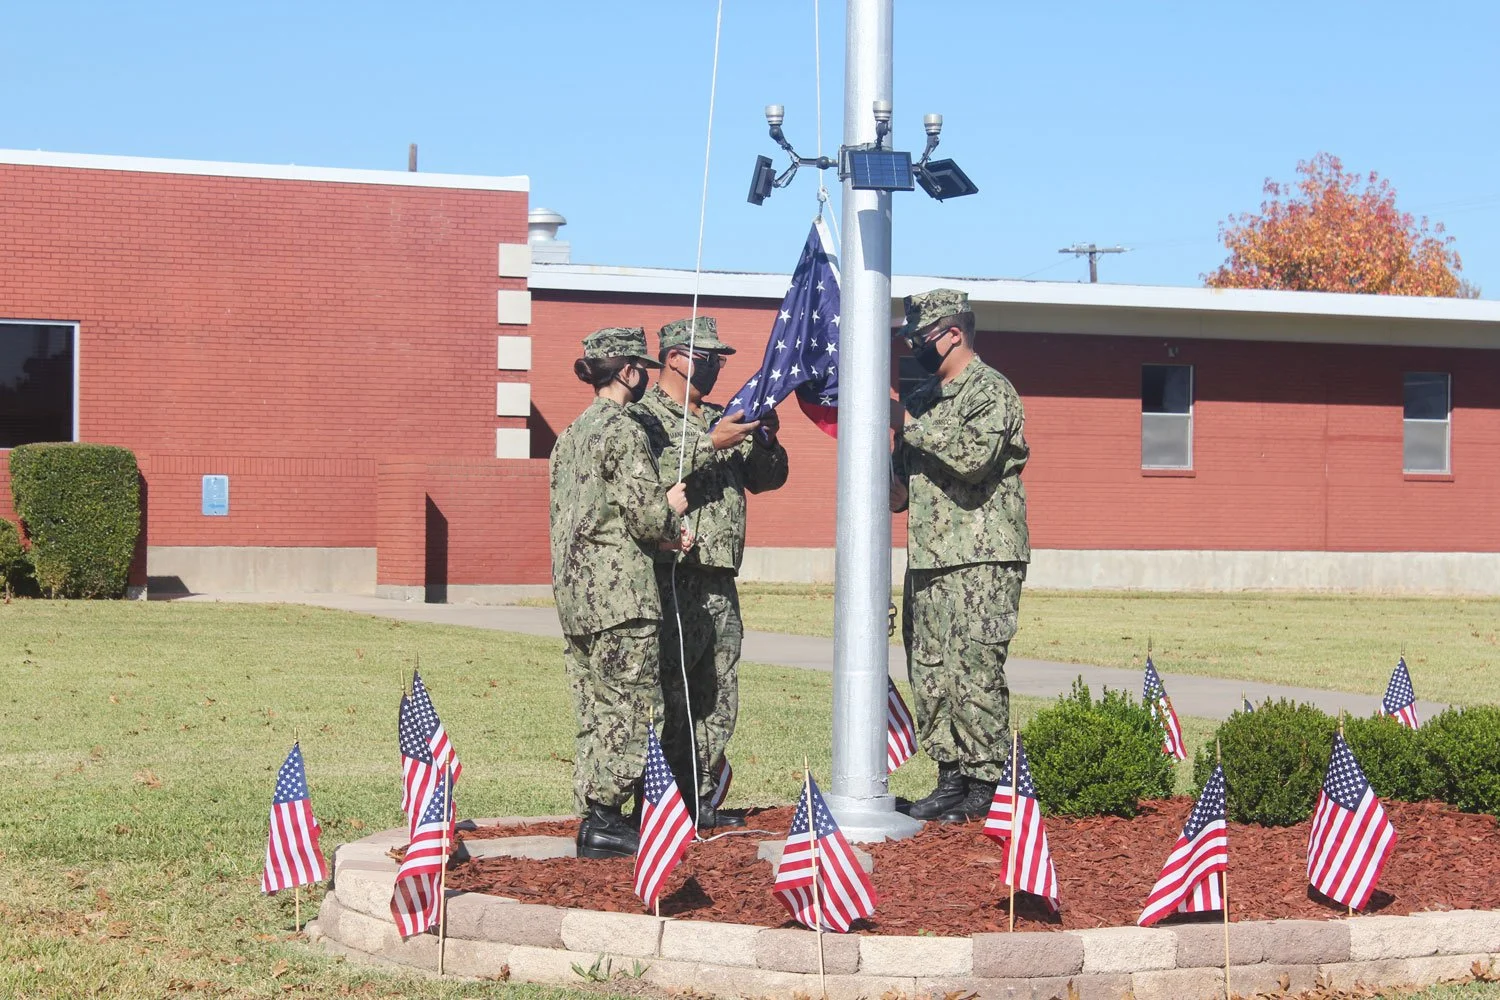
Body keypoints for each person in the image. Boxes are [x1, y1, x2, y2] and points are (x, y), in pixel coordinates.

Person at [631, 316, 789, 829]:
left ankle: (698, 796)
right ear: (675, 356)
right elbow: (647, 480)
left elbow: (768, 479)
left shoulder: (726, 416)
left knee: (717, 694)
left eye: (721, 359)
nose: (717, 367)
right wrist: (713, 440)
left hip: (720, 578)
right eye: (707, 357)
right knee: (669, 694)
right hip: (672, 575)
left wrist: (764, 440)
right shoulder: (645, 419)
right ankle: (658, 801)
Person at [549, 326, 693, 858]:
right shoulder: (624, 431)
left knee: (593, 708)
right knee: (627, 707)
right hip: (620, 597)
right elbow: (645, 513)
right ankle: (608, 819)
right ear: (630, 371)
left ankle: (594, 813)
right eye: (643, 370)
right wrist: (671, 508)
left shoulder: (569, 436)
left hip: (576, 597)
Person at [889, 289, 1030, 823]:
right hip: (929, 556)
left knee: (975, 666)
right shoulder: (923, 397)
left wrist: (905, 420)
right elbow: (907, 484)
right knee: (930, 669)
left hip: (982, 555)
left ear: (953, 332)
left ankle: (987, 782)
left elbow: (972, 458)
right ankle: (951, 776)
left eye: (920, 337)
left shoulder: (991, 391)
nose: (915, 347)